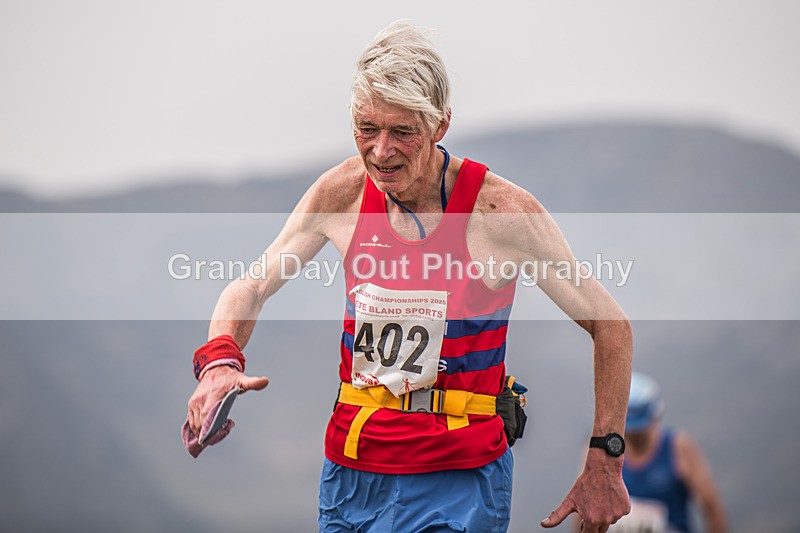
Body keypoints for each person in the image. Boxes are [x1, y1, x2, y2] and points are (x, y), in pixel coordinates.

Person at [185, 20, 633, 532]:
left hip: (459, 475)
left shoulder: (500, 212)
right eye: (366, 129)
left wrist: (606, 456)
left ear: (440, 125)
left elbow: (611, 325)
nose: (380, 151)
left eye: (402, 132)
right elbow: (254, 284)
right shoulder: (344, 193)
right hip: (353, 469)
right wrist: (218, 362)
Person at [608, 372, 727, 533]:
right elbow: (584, 510)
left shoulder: (679, 448)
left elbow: (712, 509)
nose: (635, 435)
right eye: (630, 430)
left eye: (640, 429)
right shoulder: (602, 451)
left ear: (656, 416)